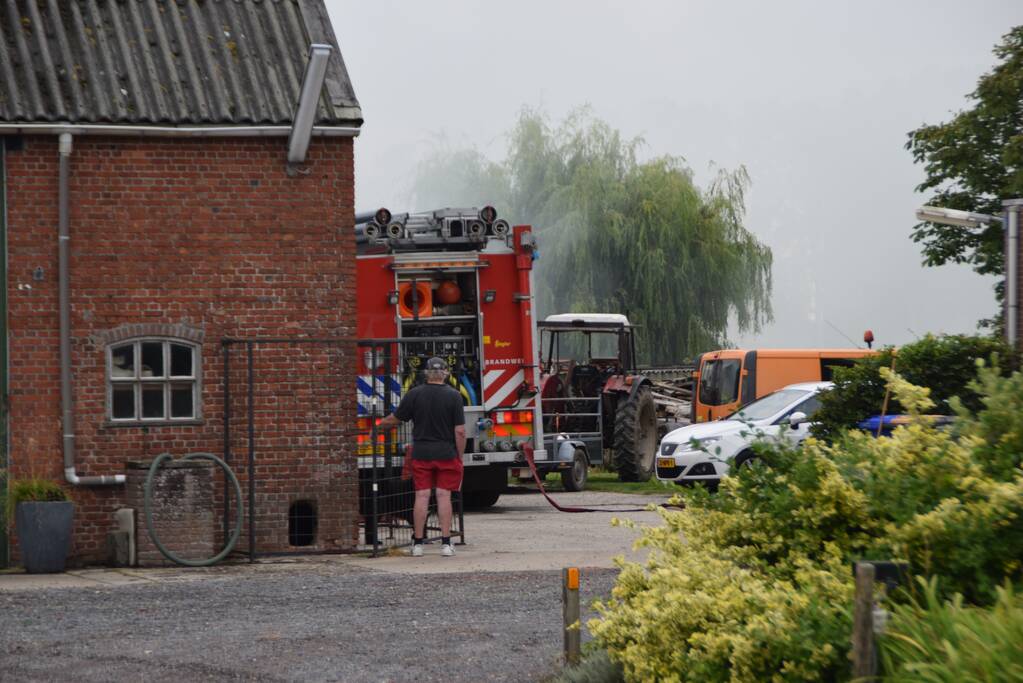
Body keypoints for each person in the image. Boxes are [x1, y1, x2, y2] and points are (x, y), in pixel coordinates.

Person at [378, 356, 465, 557]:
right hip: (446, 454)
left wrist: (377, 428)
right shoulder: (454, 396)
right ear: (445, 373)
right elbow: (460, 431)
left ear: (426, 373)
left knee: (422, 496)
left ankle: (417, 544)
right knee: (444, 496)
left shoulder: (414, 394)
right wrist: (459, 456)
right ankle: (445, 543)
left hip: (421, 453)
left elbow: (396, 418)